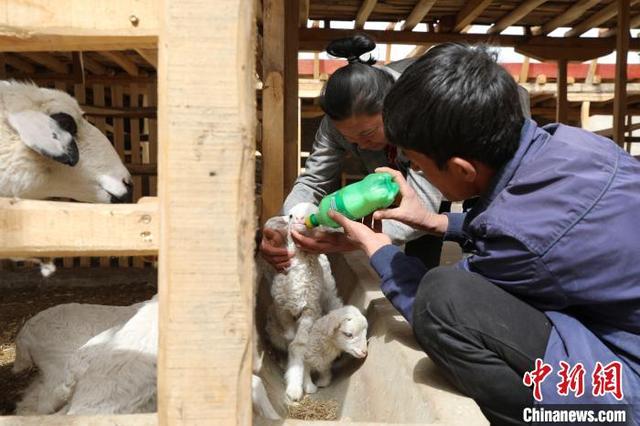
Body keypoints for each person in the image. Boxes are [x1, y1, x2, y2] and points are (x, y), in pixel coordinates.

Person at [327, 43, 640, 425]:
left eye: (422, 168)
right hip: (621, 317)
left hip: (630, 374)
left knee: (442, 300)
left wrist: (378, 249)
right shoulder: (572, 143)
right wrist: (435, 221)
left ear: (462, 169)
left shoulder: (520, 242)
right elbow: (536, 226)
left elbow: (444, 301)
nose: (419, 175)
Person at [259, 34, 445, 272]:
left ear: (392, 108)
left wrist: (350, 239)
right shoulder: (336, 123)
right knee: (419, 260)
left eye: (367, 134)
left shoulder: (420, 112)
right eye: (350, 139)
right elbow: (314, 181)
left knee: (476, 232)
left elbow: (423, 207)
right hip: (406, 179)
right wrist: (284, 225)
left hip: (470, 171)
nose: (362, 146)